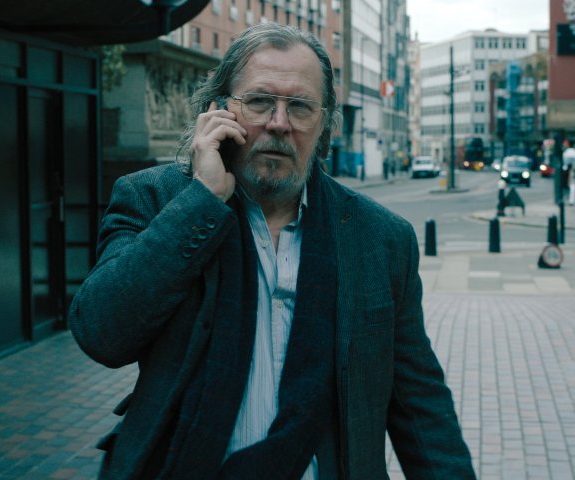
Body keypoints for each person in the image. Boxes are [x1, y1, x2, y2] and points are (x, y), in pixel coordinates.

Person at [69, 23, 477, 480]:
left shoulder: (380, 238)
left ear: (324, 124)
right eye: (260, 101)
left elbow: (420, 406)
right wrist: (200, 202)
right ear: (219, 110)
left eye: (300, 106)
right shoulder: (154, 200)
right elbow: (102, 333)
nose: (279, 122)